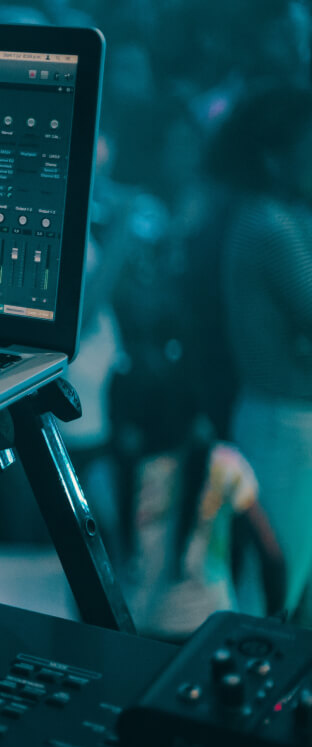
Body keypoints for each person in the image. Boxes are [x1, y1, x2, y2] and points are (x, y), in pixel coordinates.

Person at [211, 82, 312, 625]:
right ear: (277, 156)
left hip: (285, 421)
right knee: (271, 599)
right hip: (284, 426)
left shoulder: (277, 218)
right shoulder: (270, 226)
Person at [105, 345, 286, 642]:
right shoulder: (223, 465)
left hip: (134, 632)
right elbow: (273, 557)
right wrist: (273, 633)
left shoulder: (104, 475)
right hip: (211, 630)